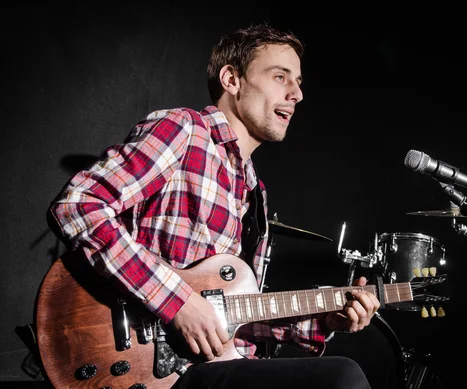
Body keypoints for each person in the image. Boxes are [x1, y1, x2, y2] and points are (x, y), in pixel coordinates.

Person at [46, 23, 380, 389]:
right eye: (280, 76)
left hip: (216, 364)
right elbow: (79, 205)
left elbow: (234, 314)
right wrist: (177, 302)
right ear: (231, 79)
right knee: (343, 377)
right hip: (154, 369)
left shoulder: (255, 192)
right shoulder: (184, 131)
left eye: (298, 82)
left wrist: (323, 321)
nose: (296, 93)